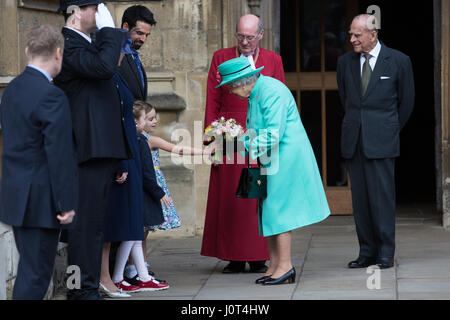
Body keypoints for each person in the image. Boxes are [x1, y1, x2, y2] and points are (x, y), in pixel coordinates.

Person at [214, 57, 330, 285]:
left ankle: (285, 266)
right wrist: (226, 145)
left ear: (243, 81)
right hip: (272, 157)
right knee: (267, 209)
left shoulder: (271, 91)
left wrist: (235, 146)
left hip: (286, 157)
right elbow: (256, 131)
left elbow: (273, 135)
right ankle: (275, 266)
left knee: (279, 211)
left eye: (230, 85)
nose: (229, 90)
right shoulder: (257, 91)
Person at [54, 1, 130, 300]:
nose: (99, 15)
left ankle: (87, 288)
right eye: (93, 8)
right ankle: (78, 291)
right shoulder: (67, 43)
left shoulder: (87, 42)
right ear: (75, 11)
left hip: (98, 149)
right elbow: (103, 68)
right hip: (83, 150)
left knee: (93, 227)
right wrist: (111, 31)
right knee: (81, 229)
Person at [201, 14, 285, 274]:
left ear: (260, 35)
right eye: (240, 36)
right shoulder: (220, 57)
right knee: (232, 197)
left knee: (255, 193)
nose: (244, 41)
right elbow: (213, 96)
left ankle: (259, 255)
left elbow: (278, 96)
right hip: (229, 133)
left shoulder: (273, 60)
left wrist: (274, 136)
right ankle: (234, 256)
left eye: (250, 37)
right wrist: (210, 133)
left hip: (260, 133)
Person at [0, 25, 78, 299]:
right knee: (35, 277)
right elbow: (59, 153)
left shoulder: (12, 90)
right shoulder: (52, 95)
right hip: (41, 201)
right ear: (58, 53)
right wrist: (66, 204)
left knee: (29, 272)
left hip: (16, 197)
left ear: (26, 51)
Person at [337, 14, 415, 270]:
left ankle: (385, 253)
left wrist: (388, 128)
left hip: (382, 140)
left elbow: (406, 102)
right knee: (360, 201)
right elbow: (346, 98)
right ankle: (366, 252)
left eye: (357, 35)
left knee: (381, 198)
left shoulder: (399, 61)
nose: (352, 39)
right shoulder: (345, 62)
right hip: (354, 140)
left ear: (374, 34)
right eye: (351, 34)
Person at [119, 5, 156, 101]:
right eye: (139, 33)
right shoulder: (115, 54)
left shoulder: (133, 55)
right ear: (126, 27)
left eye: (147, 35)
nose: (144, 39)